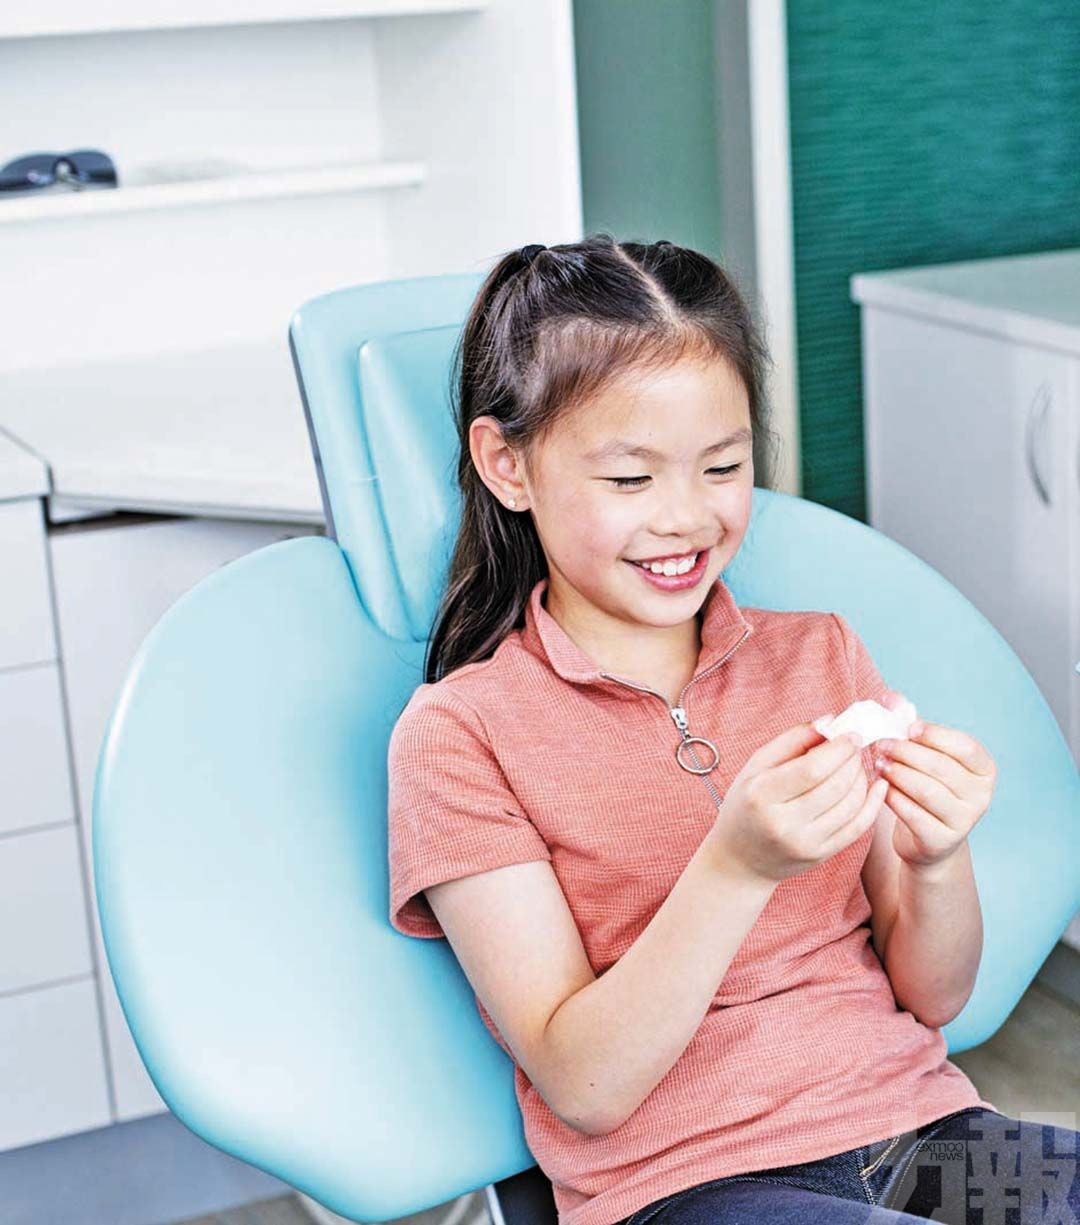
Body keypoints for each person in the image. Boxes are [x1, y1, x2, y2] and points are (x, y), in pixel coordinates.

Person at [385, 234, 1078, 1225]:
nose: (685, 517)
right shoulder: (463, 734)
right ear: (508, 464)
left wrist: (936, 857)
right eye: (630, 480)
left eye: (722, 465)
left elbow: (934, 996)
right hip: (687, 1185)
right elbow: (584, 1084)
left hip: (918, 1134)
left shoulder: (820, 656)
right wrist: (738, 864)